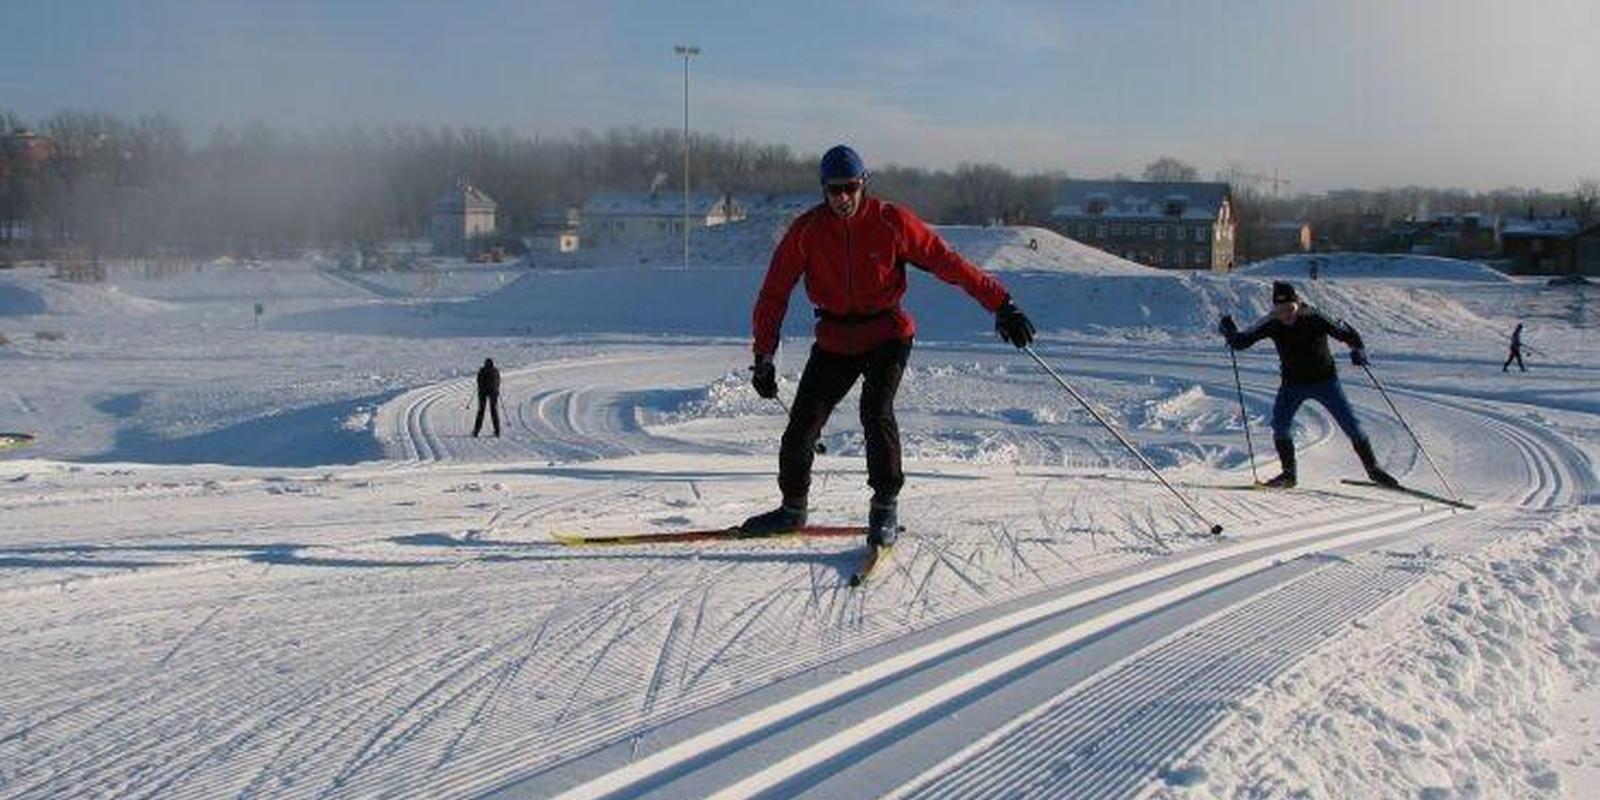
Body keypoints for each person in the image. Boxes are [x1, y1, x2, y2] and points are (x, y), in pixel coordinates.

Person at [744, 144, 1036, 545]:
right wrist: (764, 356)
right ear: (823, 190)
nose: (843, 198)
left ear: (864, 184)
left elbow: (947, 262)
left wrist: (1002, 304)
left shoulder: (891, 221)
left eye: (850, 187)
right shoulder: (807, 231)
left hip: (886, 334)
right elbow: (774, 292)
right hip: (834, 339)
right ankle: (793, 508)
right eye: (834, 190)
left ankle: (884, 506)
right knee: (801, 428)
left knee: (874, 410)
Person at [1219, 281, 1396, 489]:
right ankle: (1288, 475)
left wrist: (1357, 350)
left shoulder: (1314, 316)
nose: (1286, 315)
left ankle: (1374, 470)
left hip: (1325, 382)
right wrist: (1229, 331)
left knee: (1351, 424)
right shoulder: (1272, 321)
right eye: (1280, 310)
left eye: (1290, 309)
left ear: (1298, 304)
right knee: (1280, 426)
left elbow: (1346, 333)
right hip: (1292, 385)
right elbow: (1242, 342)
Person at [473, 358, 501, 438]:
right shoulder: (495, 371)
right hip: (493, 393)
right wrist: (497, 389)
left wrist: (480, 388)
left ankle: (476, 431)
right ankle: (497, 431)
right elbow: (498, 381)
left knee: (481, 411)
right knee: (494, 411)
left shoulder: (482, 371)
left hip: (483, 393)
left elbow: (478, 381)